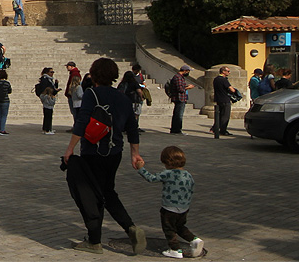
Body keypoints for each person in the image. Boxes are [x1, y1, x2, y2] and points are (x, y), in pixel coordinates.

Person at [62, 57, 144, 255]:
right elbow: (132, 128)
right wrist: (135, 154)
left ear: (95, 74)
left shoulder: (92, 94)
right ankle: (129, 228)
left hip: (93, 151)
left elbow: (81, 122)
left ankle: (95, 240)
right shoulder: (123, 97)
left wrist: (70, 148)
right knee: (107, 191)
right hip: (115, 152)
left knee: (93, 195)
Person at [136, 145, 203, 259]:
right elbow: (191, 188)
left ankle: (175, 249)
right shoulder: (188, 175)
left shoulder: (167, 173)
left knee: (169, 229)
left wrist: (140, 168)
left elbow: (151, 178)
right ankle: (194, 239)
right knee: (180, 227)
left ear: (166, 162)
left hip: (169, 208)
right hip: (184, 208)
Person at [211, 67, 237, 138]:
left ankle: (214, 128)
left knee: (219, 115)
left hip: (218, 99)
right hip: (225, 99)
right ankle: (223, 130)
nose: (229, 72)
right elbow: (232, 90)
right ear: (223, 71)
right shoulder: (223, 80)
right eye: (228, 71)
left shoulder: (216, 79)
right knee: (225, 116)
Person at [169, 66, 192, 135]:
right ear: (185, 70)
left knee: (177, 114)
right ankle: (177, 130)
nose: (188, 73)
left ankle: (175, 129)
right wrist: (188, 87)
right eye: (188, 71)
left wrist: (185, 86)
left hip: (180, 98)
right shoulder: (178, 77)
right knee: (179, 115)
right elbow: (180, 89)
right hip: (179, 98)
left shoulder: (179, 77)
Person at [37, 67, 60, 134]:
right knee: (48, 114)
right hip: (47, 98)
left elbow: (53, 88)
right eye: (51, 72)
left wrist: (56, 85)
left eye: (53, 72)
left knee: (48, 114)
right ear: (47, 72)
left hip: (49, 96)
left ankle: (48, 128)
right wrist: (50, 92)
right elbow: (45, 89)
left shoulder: (49, 79)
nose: (52, 73)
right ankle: (47, 129)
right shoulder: (45, 79)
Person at [0, 68, 12, 133]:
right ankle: (2, 130)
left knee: (0, 114)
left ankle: (1, 128)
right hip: (5, 100)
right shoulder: (6, 83)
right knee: (4, 115)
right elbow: (9, 91)